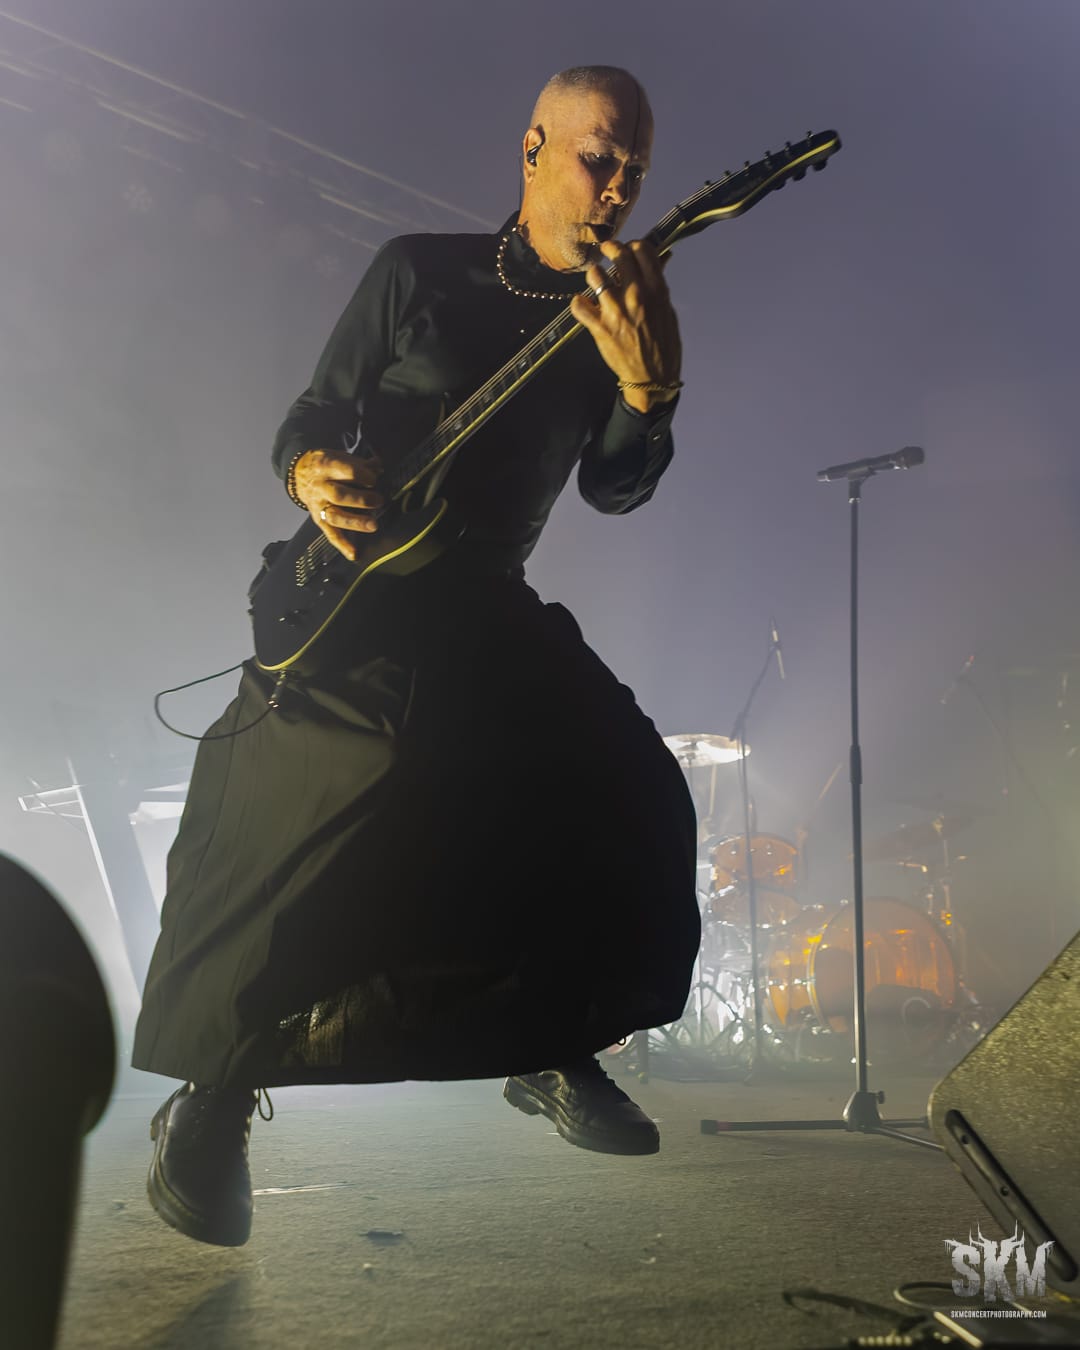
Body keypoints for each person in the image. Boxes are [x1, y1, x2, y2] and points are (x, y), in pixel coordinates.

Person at [132, 65, 701, 1248]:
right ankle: (213, 1098)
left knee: (629, 782)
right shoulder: (418, 272)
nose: (618, 188)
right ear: (535, 148)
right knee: (333, 796)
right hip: (356, 594)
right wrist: (308, 472)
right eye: (599, 157)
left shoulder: (620, 312)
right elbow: (311, 416)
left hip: (485, 598)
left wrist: (650, 392)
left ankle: (548, 1046)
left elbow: (615, 488)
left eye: (637, 169)